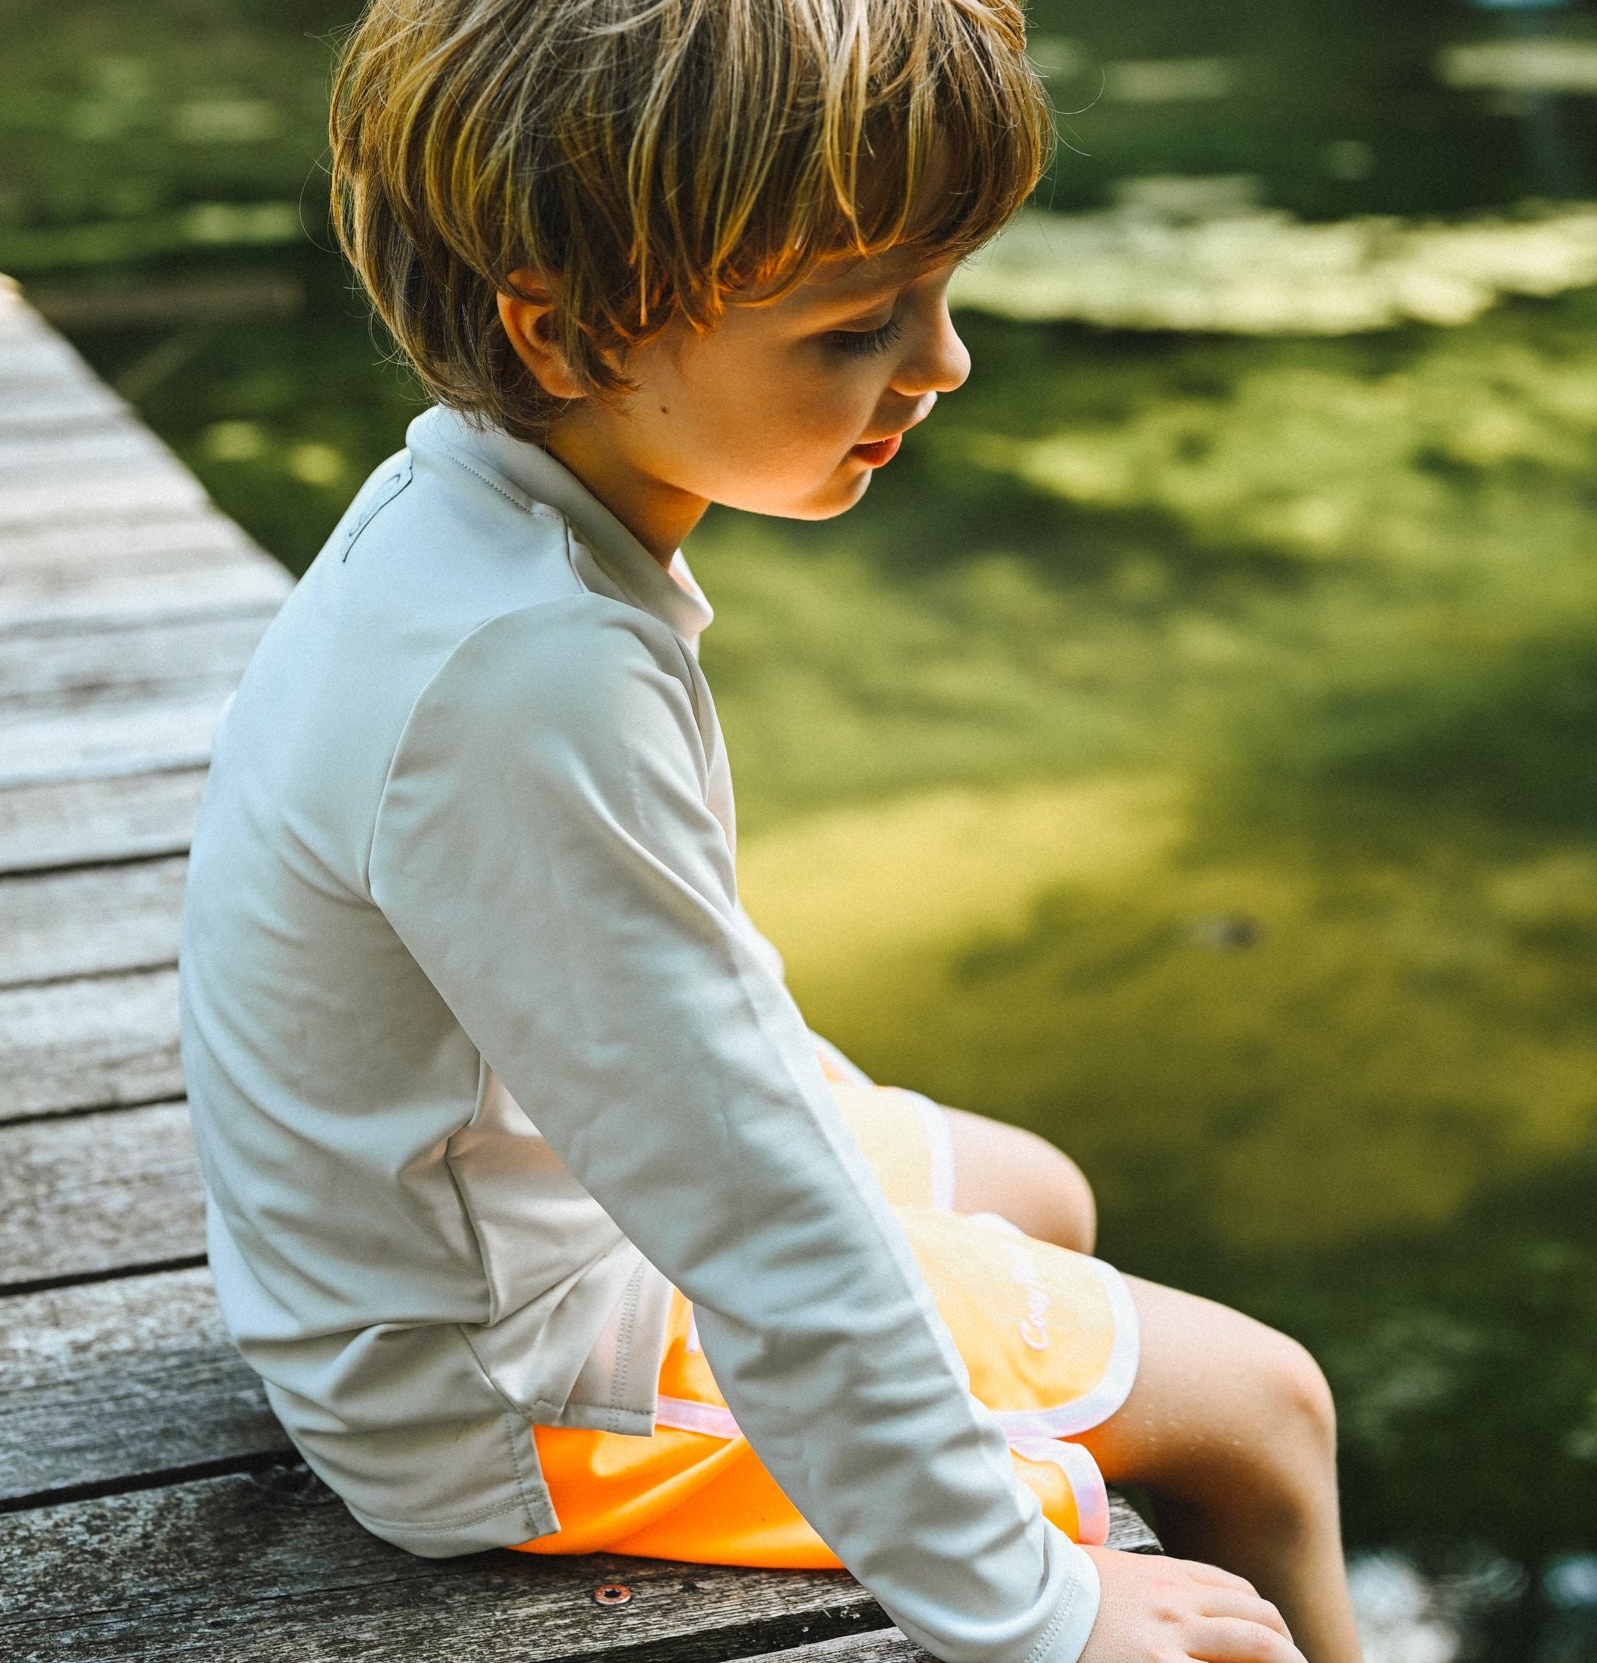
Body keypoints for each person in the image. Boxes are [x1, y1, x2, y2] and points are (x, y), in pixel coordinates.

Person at [177, 3, 1364, 1661]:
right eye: (856, 329)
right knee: (1263, 1410)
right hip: (497, 1389)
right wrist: (1038, 1609)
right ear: (565, 333)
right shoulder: (533, 678)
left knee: (1038, 1188)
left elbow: (691, 1028)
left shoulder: (479, 519)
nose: (944, 364)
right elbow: (756, 1223)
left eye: (939, 296)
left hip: (471, 1241)